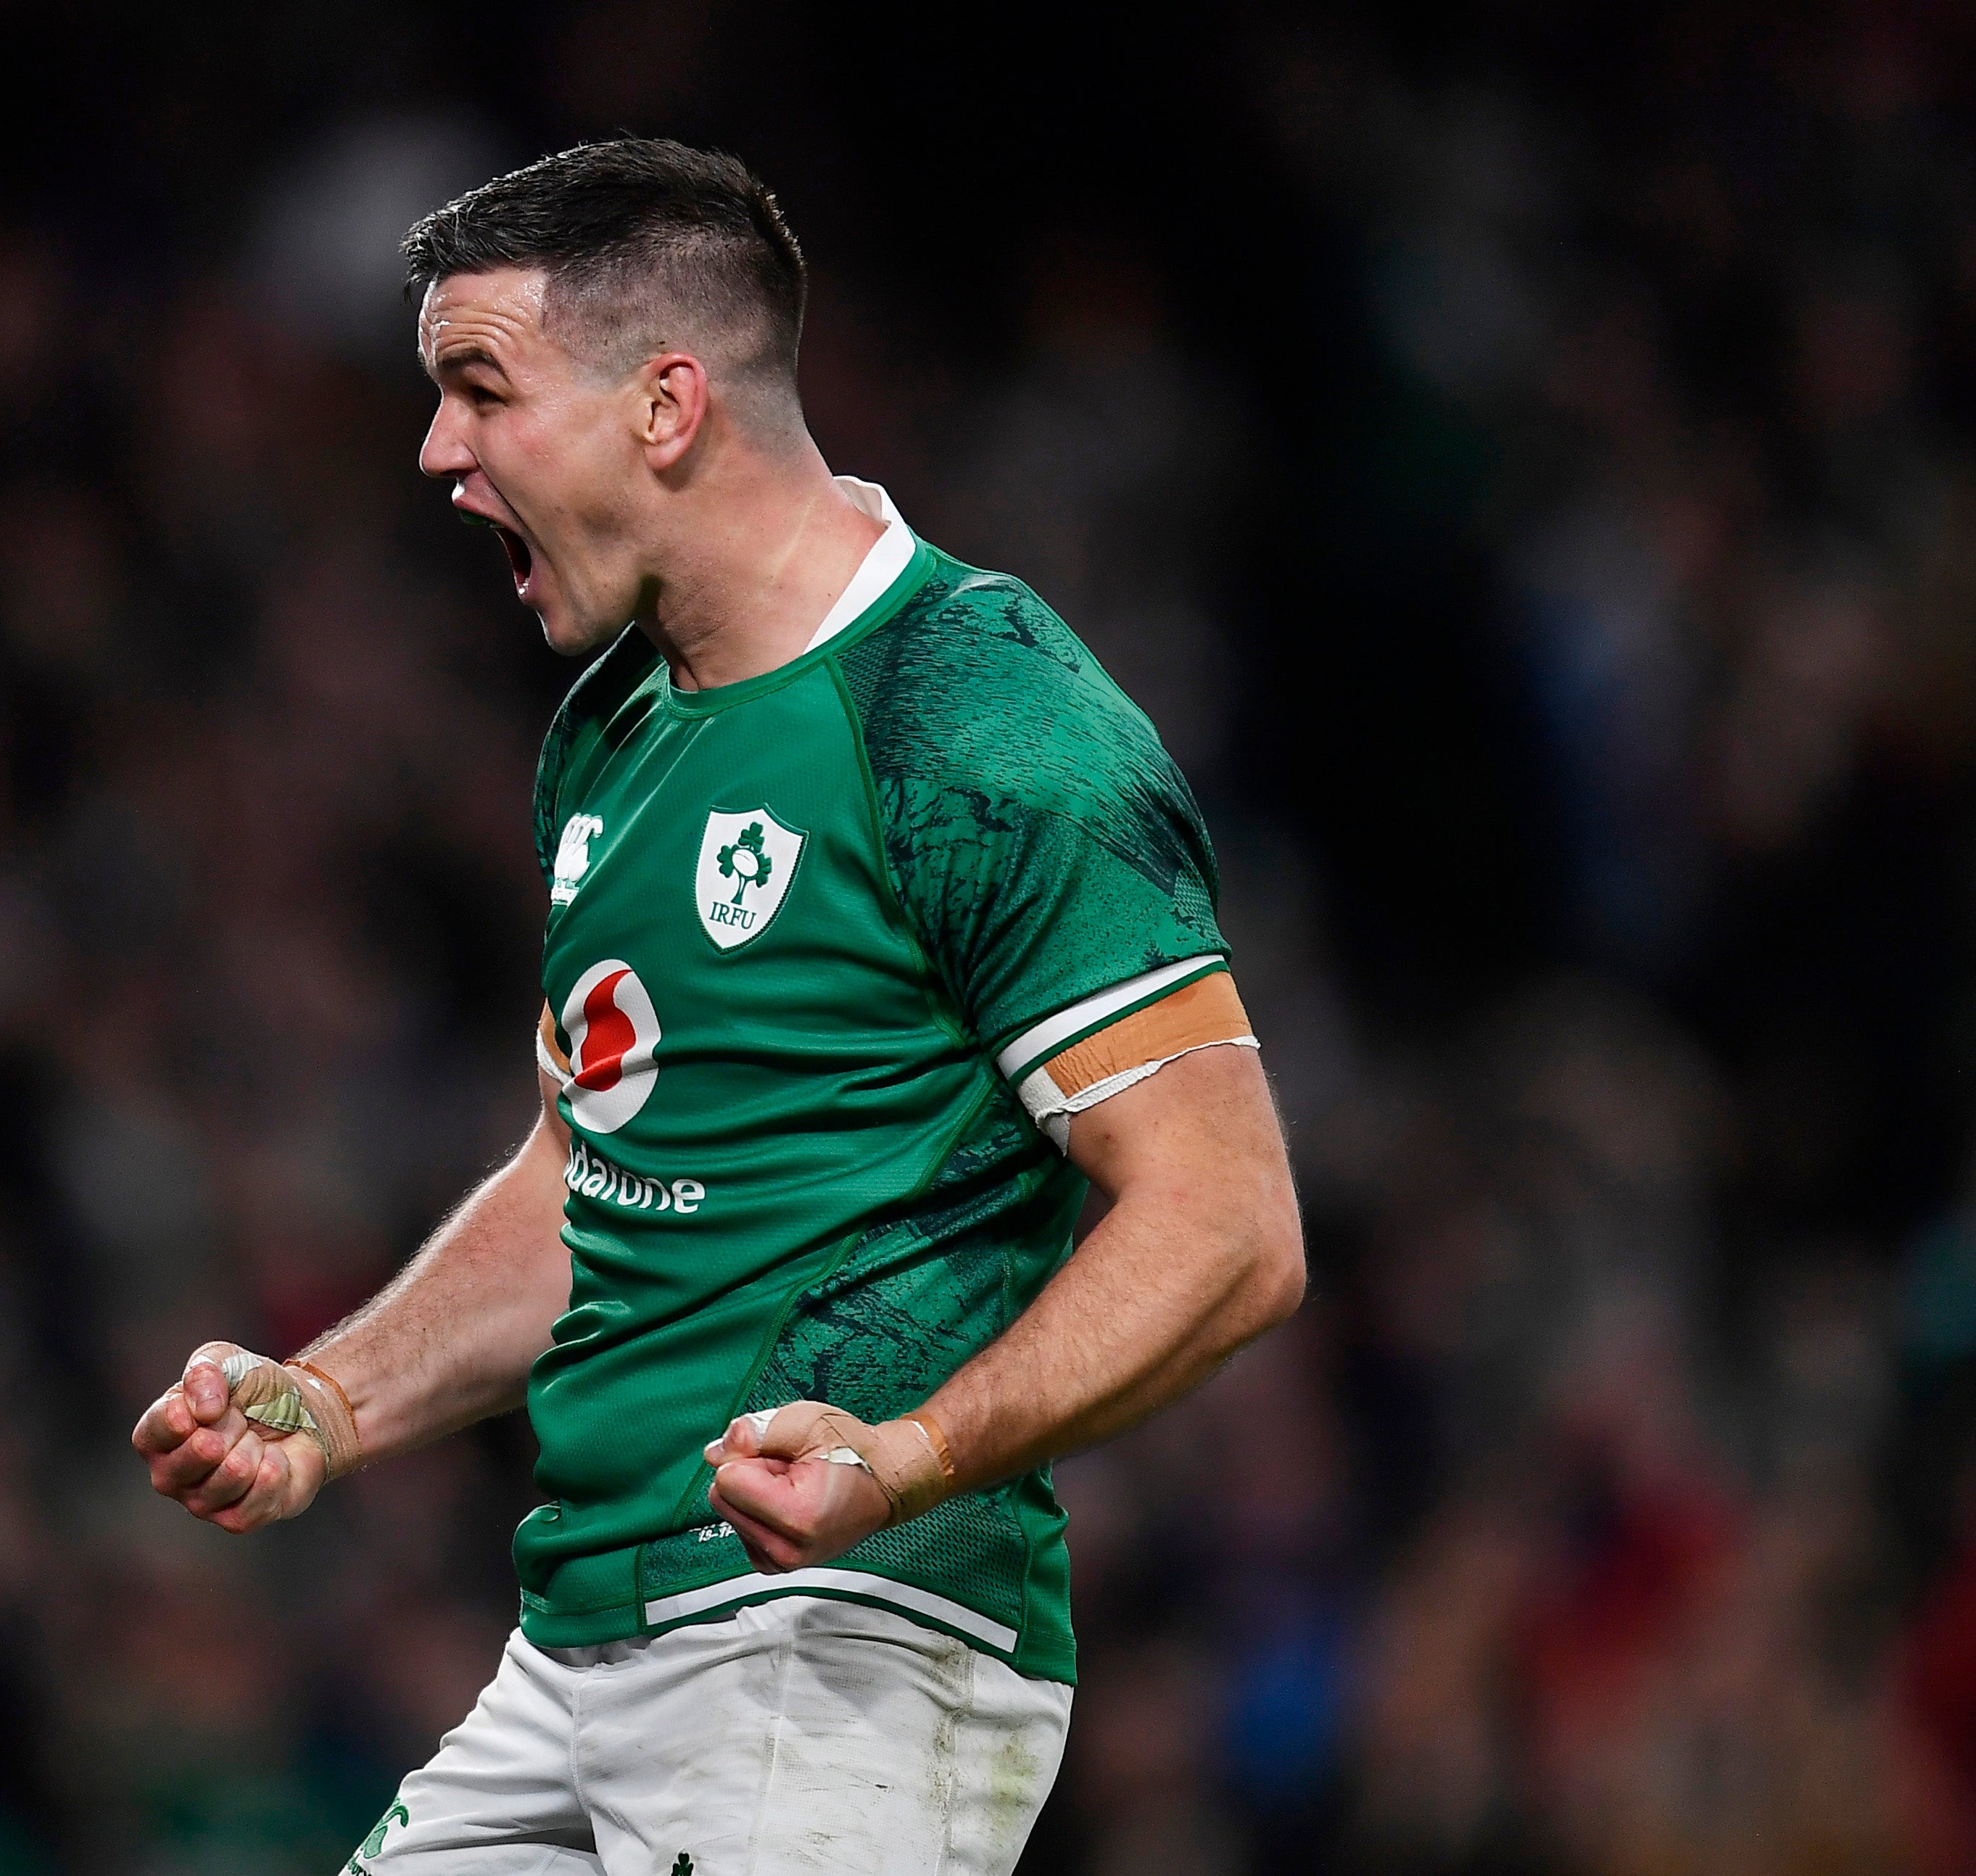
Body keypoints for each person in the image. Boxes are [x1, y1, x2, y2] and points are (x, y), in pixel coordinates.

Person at [132, 139, 1305, 1876]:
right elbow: (585, 1172)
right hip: (582, 1636)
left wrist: (902, 1458)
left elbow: (1229, 1225)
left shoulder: (977, 719)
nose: (439, 454)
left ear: (665, 405)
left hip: (835, 1644)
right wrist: (332, 1399)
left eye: (479, 390)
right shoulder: (613, 726)